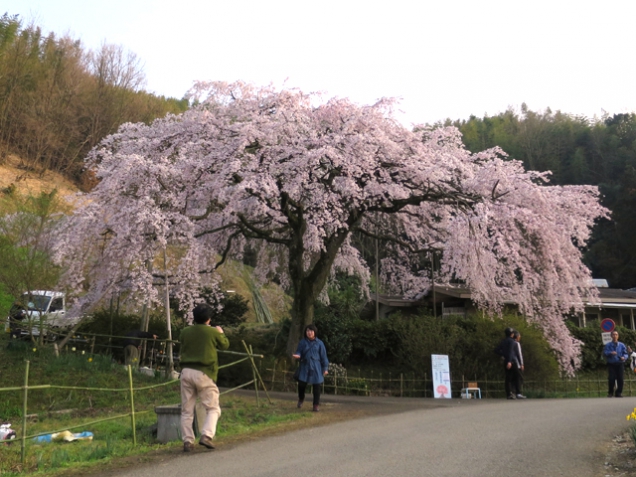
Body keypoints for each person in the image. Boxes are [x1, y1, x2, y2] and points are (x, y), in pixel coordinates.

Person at [179, 303, 229, 452]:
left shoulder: (185, 331)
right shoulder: (212, 332)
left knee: (186, 410)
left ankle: (188, 441)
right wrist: (220, 333)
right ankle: (206, 435)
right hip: (204, 372)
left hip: (186, 371)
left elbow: (183, 344)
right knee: (213, 408)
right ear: (209, 318)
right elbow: (225, 345)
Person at [292, 324, 329, 412]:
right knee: (301, 385)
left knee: (317, 386)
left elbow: (324, 357)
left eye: (311, 331)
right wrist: (298, 355)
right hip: (305, 366)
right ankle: (301, 398)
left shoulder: (320, 343)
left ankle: (315, 405)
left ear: (315, 332)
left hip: (316, 367)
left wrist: (325, 368)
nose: (309, 333)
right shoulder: (303, 342)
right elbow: (299, 351)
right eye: (308, 331)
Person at [604, 330, 629, 397]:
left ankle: (618, 393)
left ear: (618, 336)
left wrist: (624, 357)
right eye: (613, 334)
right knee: (611, 378)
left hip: (620, 363)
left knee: (620, 378)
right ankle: (610, 392)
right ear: (611, 336)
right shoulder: (608, 345)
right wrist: (610, 353)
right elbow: (605, 353)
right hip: (611, 364)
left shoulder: (622, 345)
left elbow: (626, 354)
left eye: (616, 334)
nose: (615, 336)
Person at [495, 327, 518, 400]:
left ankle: (508, 393)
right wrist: (510, 361)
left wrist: (504, 354)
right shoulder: (512, 341)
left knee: (508, 378)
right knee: (515, 377)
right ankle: (513, 392)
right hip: (512, 361)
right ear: (512, 334)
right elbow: (511, 351)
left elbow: (496, 350)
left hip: (506, 361)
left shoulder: (503, 341)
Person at [512, 331, 526, 399]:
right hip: (516, 363)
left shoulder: (510, 343)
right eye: (519, 336)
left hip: (510, 362)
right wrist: (521, 364)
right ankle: (518, 393)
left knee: (512, 378)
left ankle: (513, 392)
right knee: (518, 378)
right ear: (517, 337)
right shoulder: (517, 343)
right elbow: (519, 354)